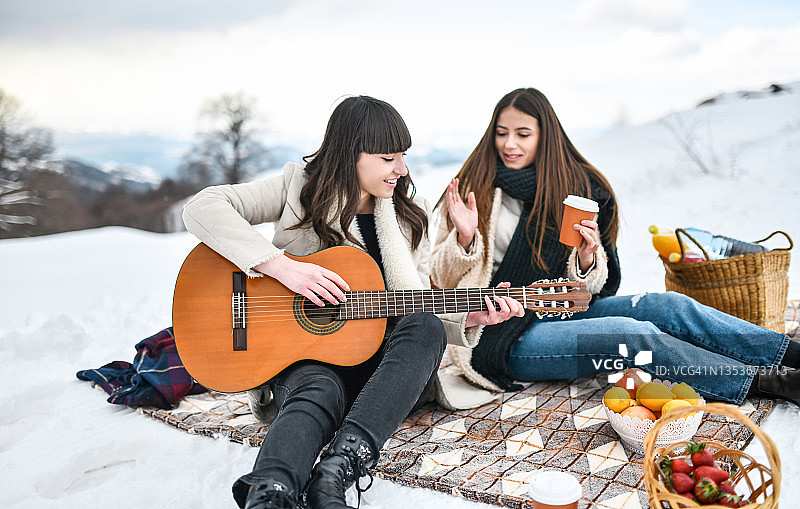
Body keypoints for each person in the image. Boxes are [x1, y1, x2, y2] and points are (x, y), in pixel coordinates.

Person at [182, 95, 523, 509]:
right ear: (350, 155)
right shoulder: (296, 188)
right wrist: (284, 268)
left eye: (403, 156)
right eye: (387, 157)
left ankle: (340, 468)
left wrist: (469, 315)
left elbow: (411, 301)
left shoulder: (408, 217)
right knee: (318, 388)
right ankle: (269, 492)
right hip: (307, 362)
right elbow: (203, 207)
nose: (401, 169)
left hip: (382, 379)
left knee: (425, 324)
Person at [430, 87, 800, 408]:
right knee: (628, 336)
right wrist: (464, 238)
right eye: (502, 133)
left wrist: (588, 258)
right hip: (499, 336)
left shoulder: (576, 189)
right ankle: (772, 382)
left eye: (523, 134)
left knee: (667, 306)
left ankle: (789, 355)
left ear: (545, 136)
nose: (509, 144)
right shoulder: (473, 188)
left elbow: (598, 290)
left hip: (561, 306)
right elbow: (440, 280)